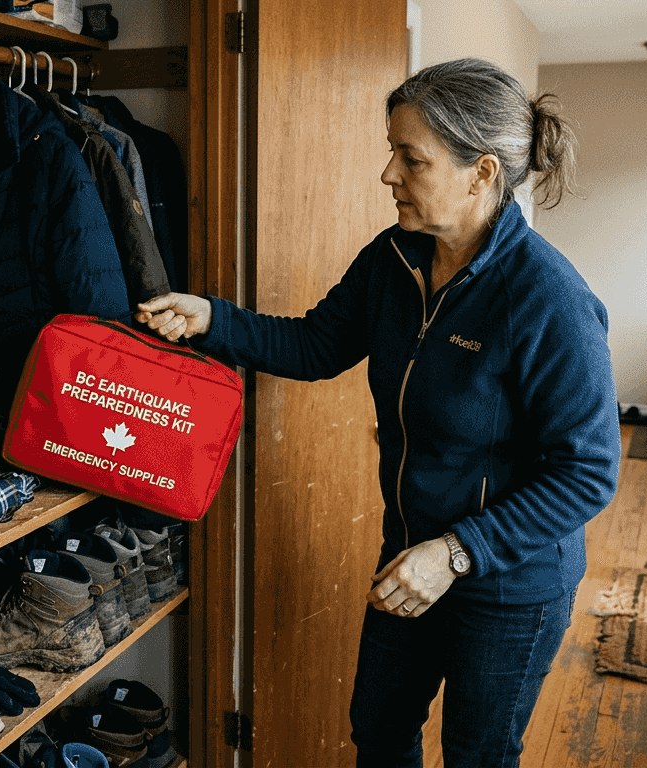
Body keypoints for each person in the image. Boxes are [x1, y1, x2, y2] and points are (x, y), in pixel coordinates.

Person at [135, 58, 621, 768]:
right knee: (380, 730)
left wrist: (455, 553)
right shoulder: (393, 258)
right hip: (410, 553)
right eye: (392, 151)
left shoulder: (550, 301)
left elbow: (587, 474)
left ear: (481, 173)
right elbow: (315, 345)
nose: (388, 174)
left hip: (507, 581)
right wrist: (212, 318)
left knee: (478, 755)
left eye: (411, 158)